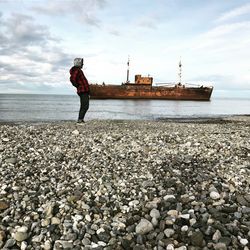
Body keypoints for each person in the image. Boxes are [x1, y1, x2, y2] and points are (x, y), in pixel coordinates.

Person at [69, 58, 90, 123]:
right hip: (82, 90)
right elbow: (72, 79)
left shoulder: (78, 70)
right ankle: (80, 119)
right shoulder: (77, 70)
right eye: (81, 63)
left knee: (84, 105)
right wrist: (77, 86)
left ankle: (81, 119)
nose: (82, 64)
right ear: (78, 63)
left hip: (84, 90)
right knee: (85, 105)